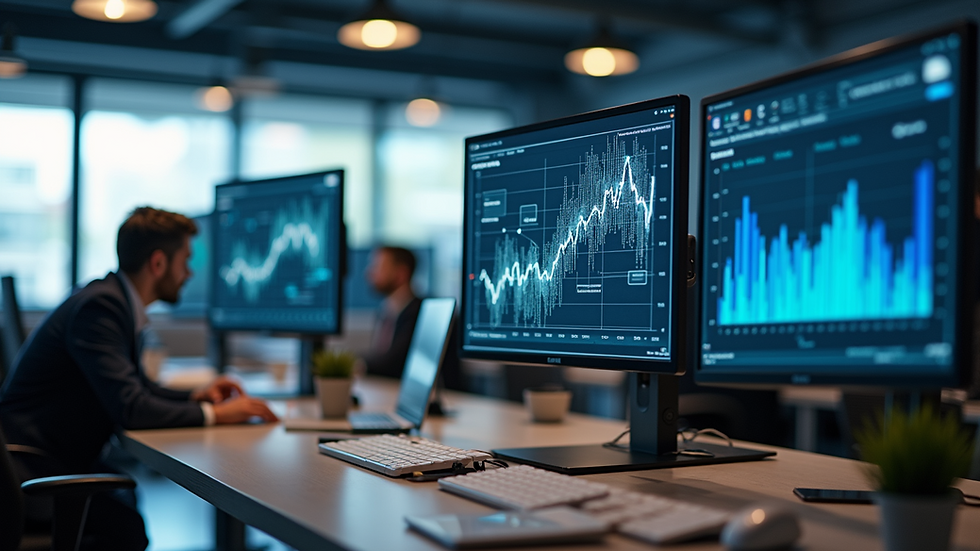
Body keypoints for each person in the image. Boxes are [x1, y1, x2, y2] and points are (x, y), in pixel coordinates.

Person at [0, 206, 278, 551]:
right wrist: (217, 415)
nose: (189, 273)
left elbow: (135, 387)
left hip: (45, 460)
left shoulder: (110, 299)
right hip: (33, 475)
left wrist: (196, 397)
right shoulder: (100, 308)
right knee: (127, 527)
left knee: (127, 509)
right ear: (158, 263)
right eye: (185, 261)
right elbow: (131, 407)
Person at [362, 246, 422, 379]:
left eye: (377, 267)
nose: (369, 272)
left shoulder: (418, 313)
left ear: (401, 274)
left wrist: (356, 364)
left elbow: (392, 363)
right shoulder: (387, 310)